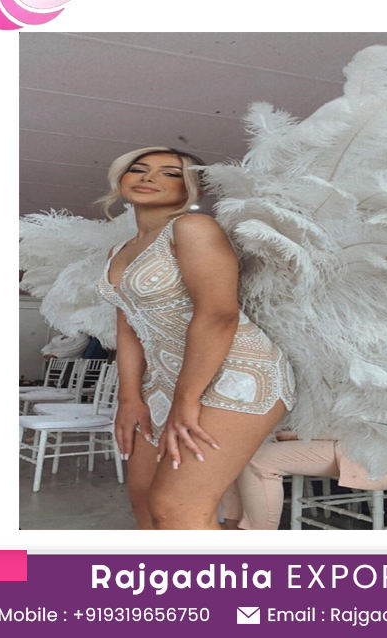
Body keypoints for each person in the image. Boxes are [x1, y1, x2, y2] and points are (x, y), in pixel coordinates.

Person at [97, 147, 295, 530]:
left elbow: (218, 314)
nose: (149, 177)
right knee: (143, 500)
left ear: (191, 188)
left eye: (170, 173)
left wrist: (185, 400)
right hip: (163, 380)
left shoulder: (193, 228)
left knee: (177, 509)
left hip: (235, 372)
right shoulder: (118, 251)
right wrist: (129, 398)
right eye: (138, 169)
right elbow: (128, 328)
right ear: (121, 179)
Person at [225, 432, 387, 529]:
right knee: (239, 447)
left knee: (259, 459)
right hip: (361, 435)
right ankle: (231, 532)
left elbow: (382, 421)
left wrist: (305, 433)